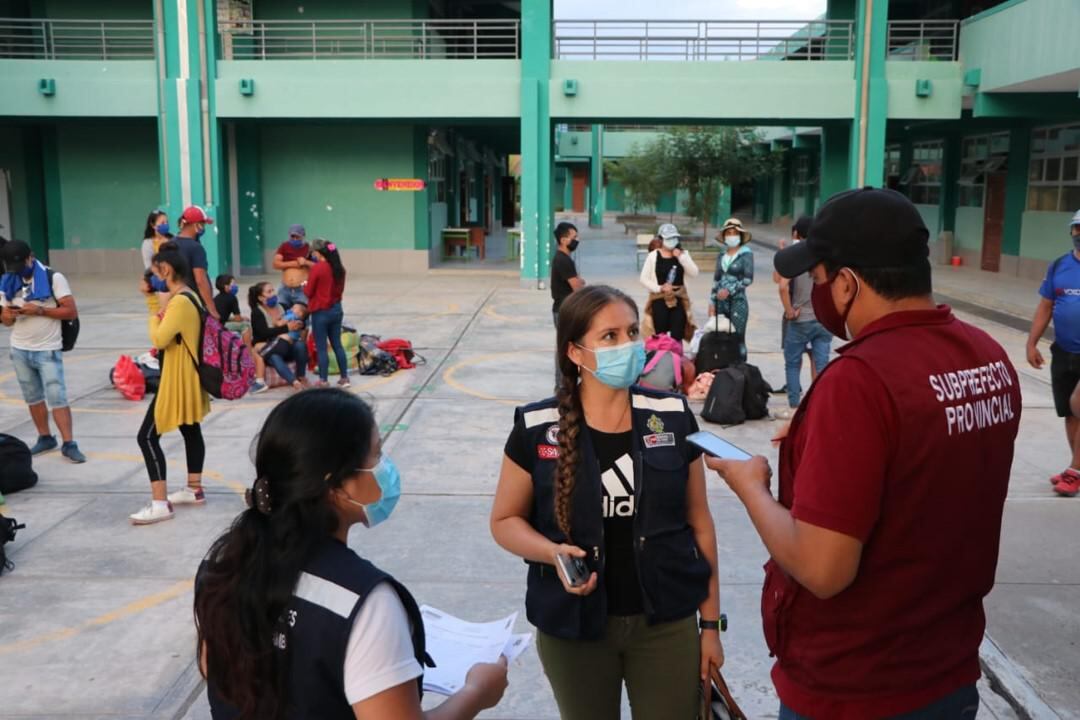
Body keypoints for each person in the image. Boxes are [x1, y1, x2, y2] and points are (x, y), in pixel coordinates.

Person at [708, 188, 1022, 719]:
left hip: (856, 686)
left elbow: (823, 568)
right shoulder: (987, 357)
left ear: (848, 283)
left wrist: (751, 487)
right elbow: (927, 467)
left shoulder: (861, 380)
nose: (822, 290)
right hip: (946, 669)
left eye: (823, 278)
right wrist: (822, 444)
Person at [194, 389, 509, 718]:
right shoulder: (366, 604)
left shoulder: (222, 564)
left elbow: (212, 669)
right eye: (376, 455)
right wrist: (476, 692)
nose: (385, 468)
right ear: (338, 485)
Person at [491, 285, 722, 720]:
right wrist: (551, 551)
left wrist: (709, 626)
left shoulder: (672, 415)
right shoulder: (537, 427)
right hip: (574, 629)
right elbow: (504, 520)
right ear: (575, 353)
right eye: (610, 336)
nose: (627, 346)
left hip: (666, 625)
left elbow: (700, 523)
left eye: (633, 332)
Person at [131, 247, 211, 525]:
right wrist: (155, 302)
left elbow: (160, 338)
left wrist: (153, 312)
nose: (154, 278)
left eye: (155, 272)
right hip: (187, 375)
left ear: (165, 270)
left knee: (147, 437)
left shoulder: (179, 302)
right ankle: (194, 488)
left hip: (176, 379)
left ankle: (159, 503)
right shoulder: (190, 296)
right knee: (190, 428)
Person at [0, 240, 85, 463]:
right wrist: (7, 316)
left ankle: (69, 442)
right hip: (20, 349)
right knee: (33, 396)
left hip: (47, 349)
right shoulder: (8, 281)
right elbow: (5, 320)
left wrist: (38, 310)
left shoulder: (53, 278)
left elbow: (70, 311)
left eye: (21, 266)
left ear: (31, 257)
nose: (18, 272)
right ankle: (45, 437)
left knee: (57, 396)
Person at [1028, 209, 1080, 496]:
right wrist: (1031, 342)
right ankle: (1076, 467)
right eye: (1077, 229)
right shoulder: (1059, 265)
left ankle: (1075, 471)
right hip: (1064, 352)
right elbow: (1045, 306)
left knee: (1079, 405)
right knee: (1069, 413)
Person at [776, 217, 832, 419]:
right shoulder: (825, 256)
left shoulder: (796, 257)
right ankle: (820, 406)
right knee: (822, 364)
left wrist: (789, 310)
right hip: (822, 320)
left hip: (800, 320)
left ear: (795, 234)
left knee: (792, 363)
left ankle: (793, 408)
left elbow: (782, 285)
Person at [638, 223, 699, 342]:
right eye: (668, 238)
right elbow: (643, 279)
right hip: (659, 298)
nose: (672, 241)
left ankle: (677, 358)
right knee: (661, 335)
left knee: (678, 334)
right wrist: (659, 288)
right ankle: (662, 358)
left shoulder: (683, 254)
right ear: (661, 239)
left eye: (674, 238)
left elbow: (694, 272)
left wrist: (681, 257)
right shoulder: (653, 256)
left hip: (679, 298)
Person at [307, 238, 351, 388]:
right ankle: (344, 378)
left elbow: (308, 291)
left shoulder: (318, 268)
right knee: (337, 344)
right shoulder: (340, 268)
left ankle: (323, 380)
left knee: (321, 347)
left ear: (318, 253)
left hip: (321, 311)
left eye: (313, 252)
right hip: (337, 309)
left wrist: (304, 286)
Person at [250, 281, 308, 391]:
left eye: (273, 290)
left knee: (300, 345)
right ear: (261, 298)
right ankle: (294, 382)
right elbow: (263, 333)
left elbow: (299, 315)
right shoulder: (257, 312)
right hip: (270, 347)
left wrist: (299, 324)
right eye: (269, 292)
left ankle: (301, 376)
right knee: (274, 357)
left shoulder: (283, 306)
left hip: (286, 346)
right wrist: (286, 329)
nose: (273, 294)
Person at [214, 273, 267, 394]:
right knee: (245, 326)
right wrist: (242, 318)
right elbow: (238, 318)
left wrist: (238, 318)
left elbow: (223, 317)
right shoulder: (232, 298)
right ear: (226, 286)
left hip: (217, 325)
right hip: (223, 326)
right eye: (233, 284)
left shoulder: (217, 298)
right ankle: (249, 347)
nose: (235, 286)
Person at [711, 218, 754, 361]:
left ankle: (741, 370)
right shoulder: (721, 255)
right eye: (728, 232)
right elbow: (716, 279)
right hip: (720, 303)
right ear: (724, 236)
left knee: (738, 338)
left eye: (735, 232)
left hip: (738, 302)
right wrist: (712, 301)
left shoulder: (746, 254)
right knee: (721, 339)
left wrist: (729, 291)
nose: (731, 235)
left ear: (740, 236)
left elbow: (748, 279)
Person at [172, 205, 220, 320]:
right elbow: (200, 280)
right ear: (196, 225)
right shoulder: (195, 248)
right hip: (193, 303)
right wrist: (212, 309)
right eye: (203, 224)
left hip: (174, 301)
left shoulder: (170, 244)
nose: (203, 227)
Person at [550, 222, 584, 326]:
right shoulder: (563, 260)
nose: (577, 240)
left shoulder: (564, 258)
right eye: (574, 237)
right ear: (563, 240)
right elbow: (578, 287)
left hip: (565, 309)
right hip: (565, 311)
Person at [273, 223, 311, 308]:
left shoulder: (309, 248)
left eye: (297, 237)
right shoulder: (284, 246)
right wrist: (293, 264)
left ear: (303, 236)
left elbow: (317, 266)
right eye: (292, 237)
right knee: (282, 312)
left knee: (301, 313)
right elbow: (275, 264)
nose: (295, 239)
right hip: (285, 288)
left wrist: (306, 262)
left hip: (302, 288)